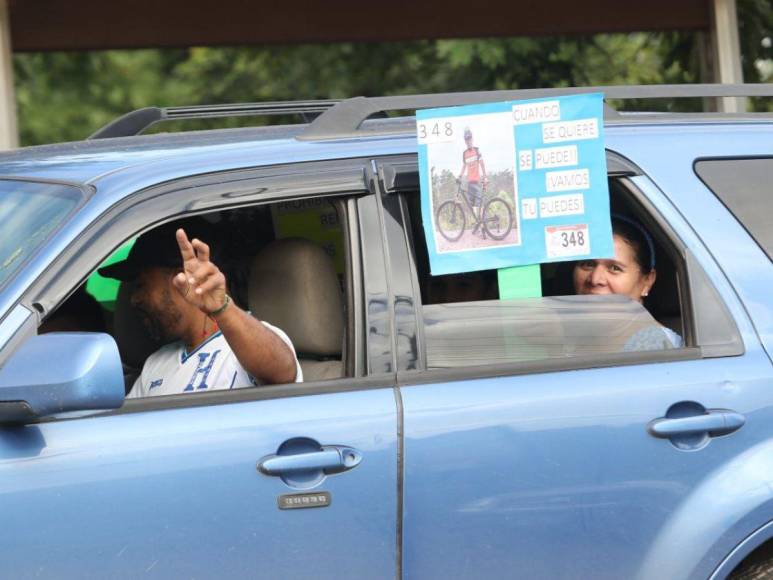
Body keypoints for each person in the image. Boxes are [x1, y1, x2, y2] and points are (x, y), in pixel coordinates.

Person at [99, 223, 302, 398]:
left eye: (141, 285)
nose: (133, 299)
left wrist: (222, 308)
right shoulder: (156, 364)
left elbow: (283, 373)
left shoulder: (249, 344)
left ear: (184, 279)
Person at [572, 216, 683, 349]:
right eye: (588, 264)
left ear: (647, 280)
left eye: (615, 268)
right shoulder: (573, 342)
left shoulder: (659, 350)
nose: (595, 279)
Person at [458, 127, 488, 224]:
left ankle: (483, 225)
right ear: (465, 141)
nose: (468, 141)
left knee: (479, 205)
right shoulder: (464, 154)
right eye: (467, 139)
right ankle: (479, 224)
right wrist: (460, 176)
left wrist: (485, 177)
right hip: (469, 182)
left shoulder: (477, 150)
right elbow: (464, 166)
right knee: (472, 205)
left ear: (472, 138)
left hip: (478, 181)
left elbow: (482, 164)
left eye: (470, 138)